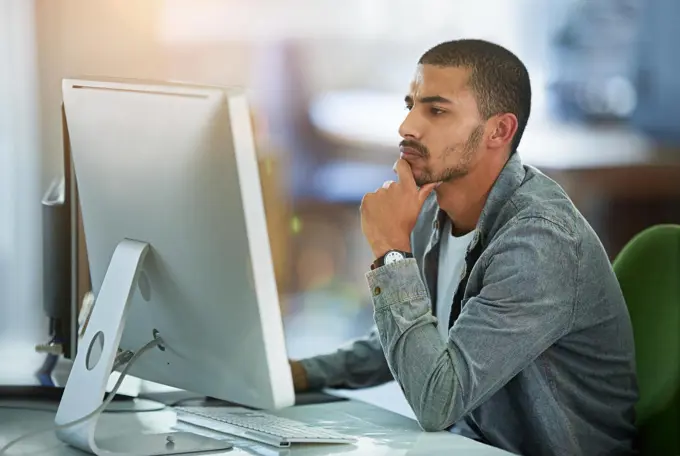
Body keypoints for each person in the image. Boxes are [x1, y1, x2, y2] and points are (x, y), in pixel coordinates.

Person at [290, 39, 638, 456]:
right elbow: (416, 343)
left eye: (436, 110)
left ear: (500, 130)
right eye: (410, 105)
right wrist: (299, 374)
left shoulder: (539, 240)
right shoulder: (430, 207)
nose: (407, 127)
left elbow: (438, 400)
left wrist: (391, 255)